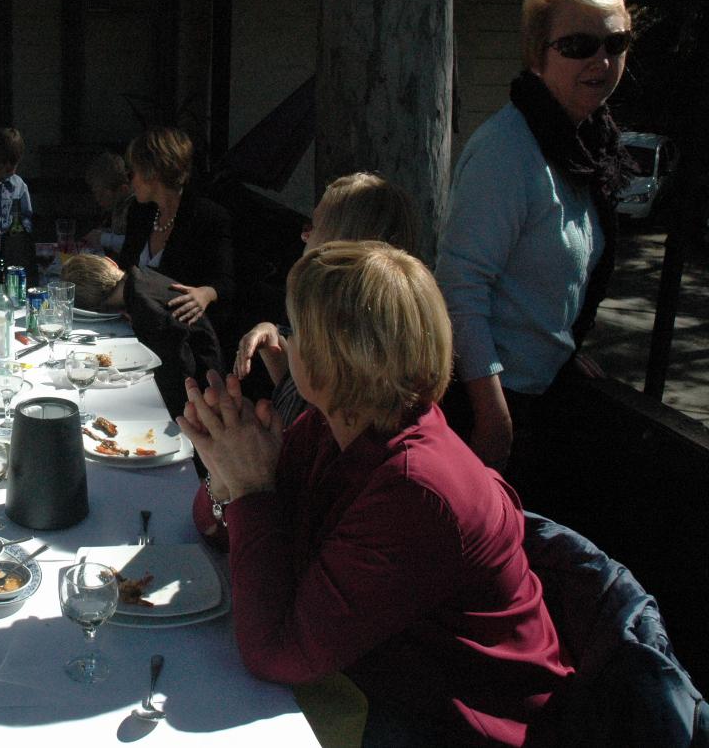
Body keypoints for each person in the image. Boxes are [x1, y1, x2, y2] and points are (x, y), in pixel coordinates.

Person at [180, 241, 573, 746]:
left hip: (466, 724)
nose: (284, 341)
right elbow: (213, 529)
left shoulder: (417, 488)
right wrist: (224, 470)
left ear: (328, 361)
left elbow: (275, 652)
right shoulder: (331, 425)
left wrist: (252, 488)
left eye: (293, 330)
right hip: (383, 687)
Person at [435, 0, 633, 470]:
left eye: (616, 41)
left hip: (541, 391)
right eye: (578, 46)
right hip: (489, 402)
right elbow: (460, 286)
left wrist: (561, 349)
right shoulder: (508, 151)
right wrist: (493, 417)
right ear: (536, 53)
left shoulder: (586, 145)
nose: (602, 60)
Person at [234, 172, 420, 428]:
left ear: (341, 241)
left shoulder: (353, 336)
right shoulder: (332, 313)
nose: (304, 235)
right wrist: (274, 339)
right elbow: (307, 390)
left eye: (314, 226)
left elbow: (316, 420)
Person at [62, 252, 221, 421]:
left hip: (206, 395)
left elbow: (179, 369)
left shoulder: (146, 309)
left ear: (96, 308)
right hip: (209, 374)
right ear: (111, 263)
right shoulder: (142, 277)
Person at [118, 127, 234, 330]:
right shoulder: (139, 212)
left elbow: (227, 283)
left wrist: (205, 294)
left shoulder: (208, 217)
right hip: (134, 326)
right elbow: (125, 267)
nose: (130, 180)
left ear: (151, 171)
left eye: (132, 172)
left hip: (183, 334)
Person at [79, 151, 132, 254]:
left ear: (123, 189)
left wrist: (102, 238)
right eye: (95, 193)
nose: (98, 198)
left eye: (102, 194)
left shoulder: (138, 207)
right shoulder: (117, 205)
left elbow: (135, 243)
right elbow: (119, 231)